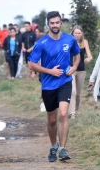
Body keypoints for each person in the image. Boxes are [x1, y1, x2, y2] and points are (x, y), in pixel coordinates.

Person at [29, 11, 80, 162]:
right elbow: (32, 64)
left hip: (65, 81)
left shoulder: (70, 39)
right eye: (52, 23)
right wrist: (49, 71)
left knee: (63, 114)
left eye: (57, 22)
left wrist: (75, 67)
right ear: (48, 24)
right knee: (52, 119)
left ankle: (63, 149)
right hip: (48, 85)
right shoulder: (41, 43)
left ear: (61, 23)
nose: (55, 25)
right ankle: (53, 145)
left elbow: (77, 55)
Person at [69, 25, 93, 119]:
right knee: (73, 92)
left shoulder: (84, 42)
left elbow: (90, 55)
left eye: (79, 33)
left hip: (81, 70)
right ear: (73, 33)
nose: (77, 35)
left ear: (81, 34)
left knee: (78, 93)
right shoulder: (69, 42)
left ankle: (76, 111)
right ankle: (72, 114)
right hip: (71, 70)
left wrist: (89, 58)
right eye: (76, 33)